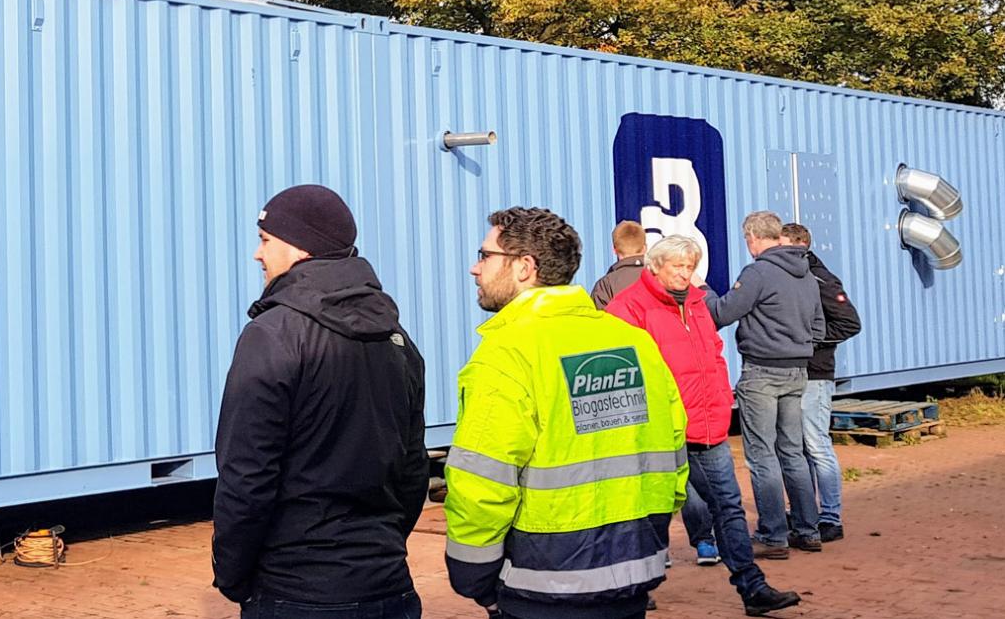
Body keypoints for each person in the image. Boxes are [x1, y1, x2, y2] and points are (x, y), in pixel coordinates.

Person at [444, 207, 686, 619]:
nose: (474, 268)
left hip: (541, 585)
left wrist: (473, 577)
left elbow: (482, 482)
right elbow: (674, 454)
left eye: (485, 256)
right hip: (631, 575)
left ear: (524, 267)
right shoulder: (633, 343)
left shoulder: (507, 353)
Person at [213, 185, 427, 618]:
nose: (258, 255)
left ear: (299, 248)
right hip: (387, 586)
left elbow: (246, 476)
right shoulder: (398, 341)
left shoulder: (272, 336)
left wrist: (232, 574)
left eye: (265, 240)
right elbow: (412, 469)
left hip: (297, 589)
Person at [606, 236, 802, 616]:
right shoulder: (628, 307)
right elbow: (622, 369)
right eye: (677, 266)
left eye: (689, 266)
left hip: (707, 425)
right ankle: (634, 588)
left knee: (728, 506)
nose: (685, 274)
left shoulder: (698, 304)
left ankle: (752, 587)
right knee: (650, 512)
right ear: (656, 266)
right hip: (659, 430)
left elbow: (710, 355)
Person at [708, 211, 824, 558]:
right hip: (797, 370)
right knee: (793, 451)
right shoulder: (807, 274)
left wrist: (703, 293)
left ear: (753, 238)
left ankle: (774, 534)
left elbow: (722, 313)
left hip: (762, 370)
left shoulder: (757, 272)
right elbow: (818, 327)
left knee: (761, 455)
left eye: (748, 240)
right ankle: (808, 529)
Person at [781, 223, 860, 542]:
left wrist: (810, 341)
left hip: (815, 373)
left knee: (816, 444)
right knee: (796, 446)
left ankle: (830, 516)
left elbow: (850, 323)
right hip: (794, 371)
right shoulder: (792, 278)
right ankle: (805, 512)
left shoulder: (820, 278)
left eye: (784, 246)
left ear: (800, 246)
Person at [591, 220, 648, 309]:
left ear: (614, 250)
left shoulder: (605, 285)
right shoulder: (661, 278)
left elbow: (598, 320)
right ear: (645, 248)